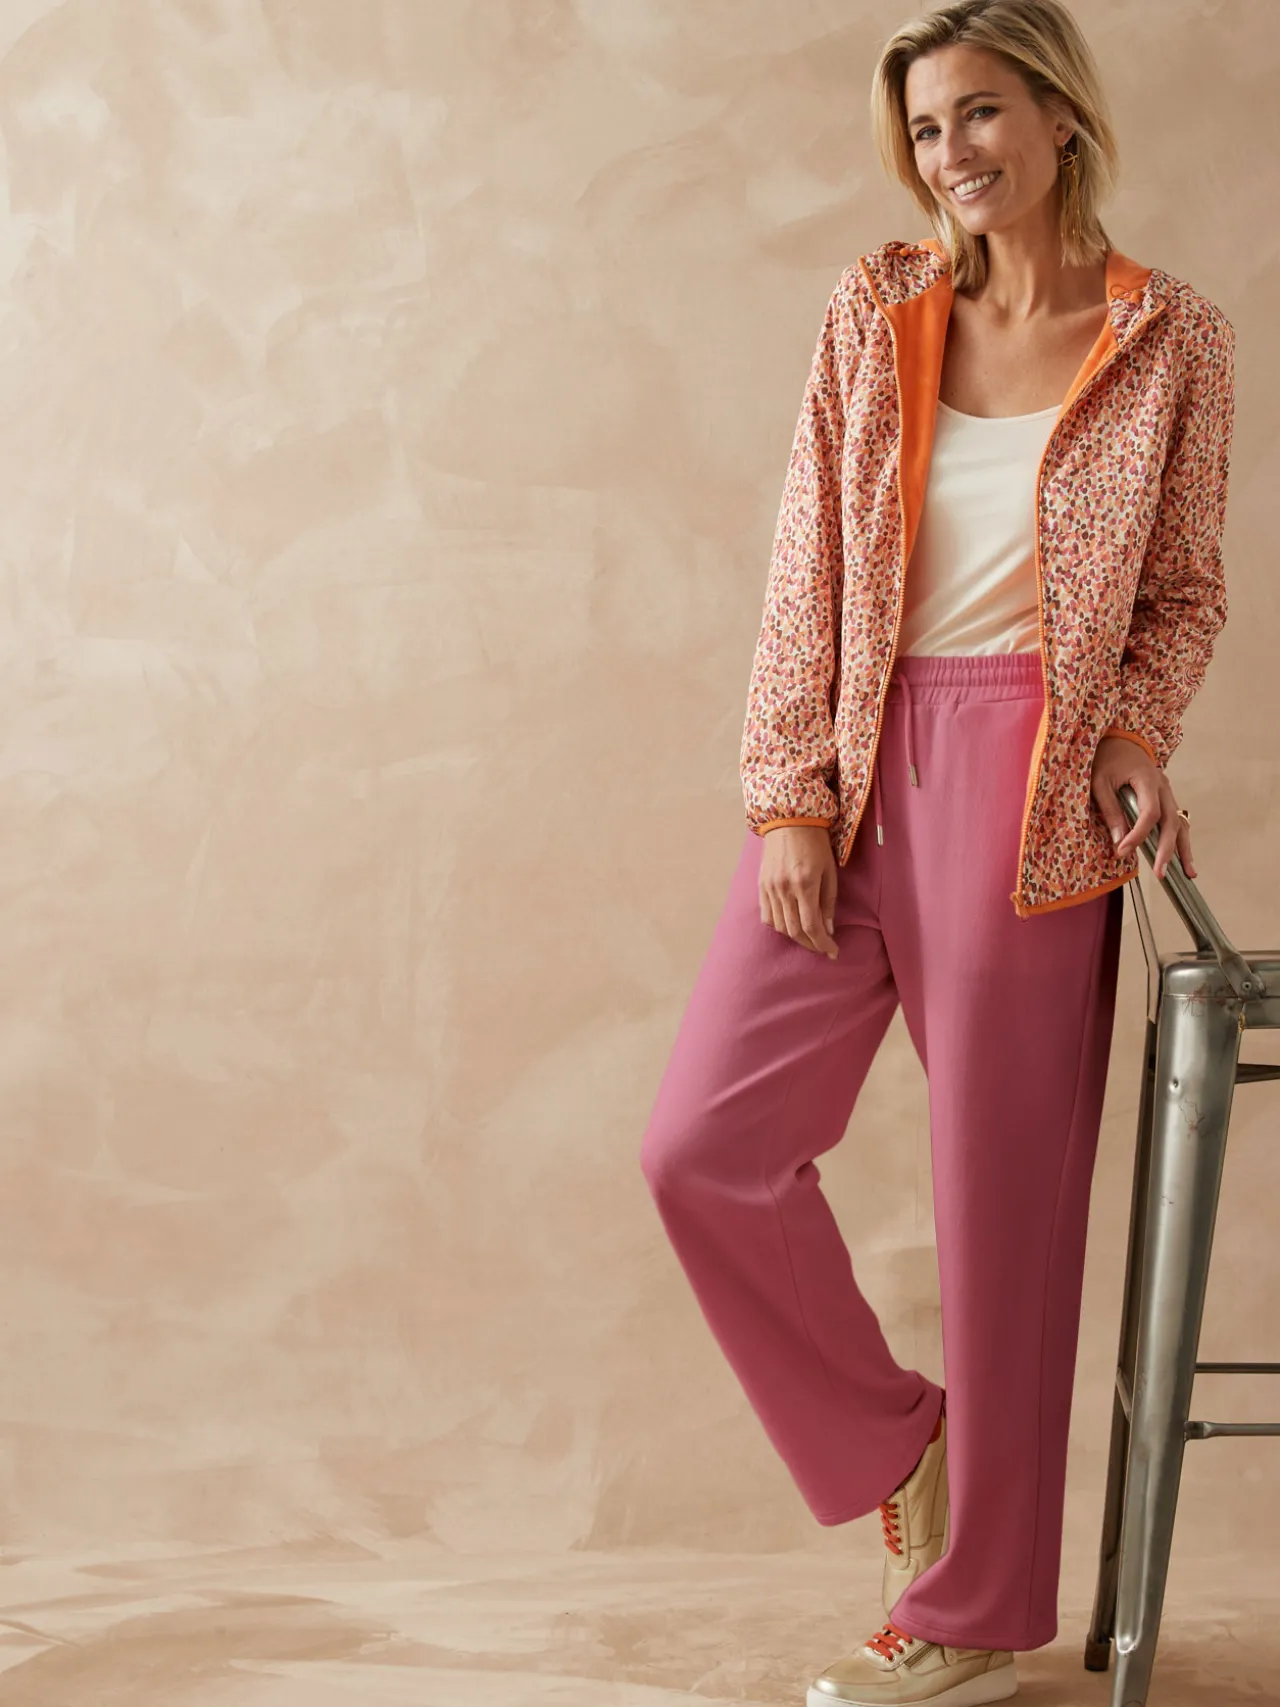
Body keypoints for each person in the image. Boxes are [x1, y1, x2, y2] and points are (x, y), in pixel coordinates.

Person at [639, 2, 1236, 1704]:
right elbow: (808, 562)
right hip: (860, 753)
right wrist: (790, 798)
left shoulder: (1172, 337)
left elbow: (1183, 587)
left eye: (977, 113)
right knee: (703, 1146)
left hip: (1034, 779)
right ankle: (906, 1446)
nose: (949, 153)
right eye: (922, 128)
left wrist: (1133, 731)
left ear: (1057, 115)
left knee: (1003, 1212)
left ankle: (973, 1615)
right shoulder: (875, 306)